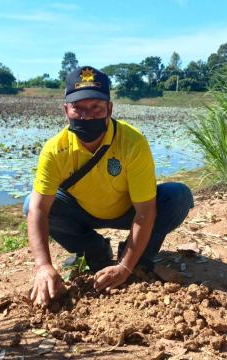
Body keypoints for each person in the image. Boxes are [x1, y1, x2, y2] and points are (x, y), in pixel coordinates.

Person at [23, 66, 193, 307]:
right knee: (31, 204)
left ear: (110, 109)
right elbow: (39, 210)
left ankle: (137, 259)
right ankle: (95, 253)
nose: (87, 116)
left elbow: (145, 211)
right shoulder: (54, 150)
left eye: (96, 108)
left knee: (177, 196)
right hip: (82, 212)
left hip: (128, 211)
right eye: (78, 108)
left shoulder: (133, 143)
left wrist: (124, 267)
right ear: (66, 111)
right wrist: (43, 266)